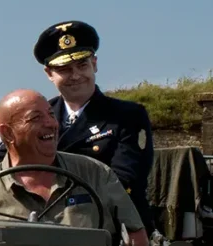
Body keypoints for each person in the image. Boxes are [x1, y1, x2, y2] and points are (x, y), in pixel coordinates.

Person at [0, 89, 149, 246]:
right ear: (8, 133)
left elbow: (136, 237)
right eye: (36, 117)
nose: (51, 123)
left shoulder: (96, 173)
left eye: (51, 115)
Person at [34, 21, 156, 230]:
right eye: (64, 69)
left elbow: (124, 178)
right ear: (49, 73)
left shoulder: (128, 115)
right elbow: (2, 159)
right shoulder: (38, 115)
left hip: (113, 226)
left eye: (82, 65)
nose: (75, 76)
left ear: (95, 64)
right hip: (50, 224)